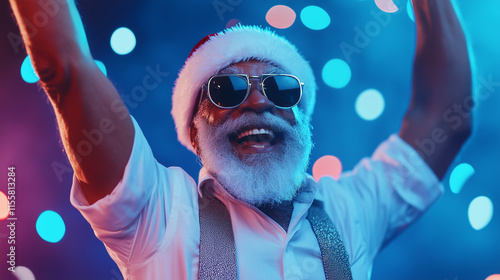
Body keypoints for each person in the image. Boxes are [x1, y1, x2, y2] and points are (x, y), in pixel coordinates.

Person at [9, 0, 471, 279]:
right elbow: (64, 69)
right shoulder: (156, 211)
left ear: (302, 118)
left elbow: (447, 119)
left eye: (280, 88)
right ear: (194, 128)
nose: (257, 102)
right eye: (227, 90)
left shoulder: (350, 209)